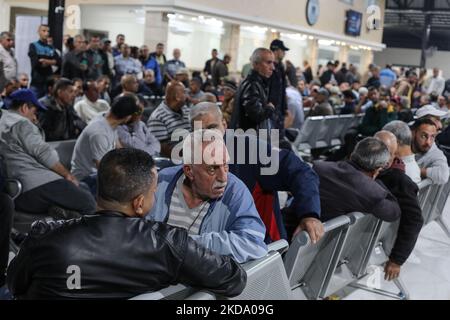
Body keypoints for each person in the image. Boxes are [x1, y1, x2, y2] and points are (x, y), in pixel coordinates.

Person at [7, 148, 246, 300]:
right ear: (139, 203)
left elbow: (16, 285)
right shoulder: (168, 244)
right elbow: (235, 279)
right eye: (154, 192)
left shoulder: (44, 236)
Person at [190, 103, 323, 244]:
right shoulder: (191, 161)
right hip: (215, 251)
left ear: (224, 124)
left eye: (212, 128)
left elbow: (300, 171)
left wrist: (309, 215)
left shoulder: (250, 150)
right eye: (199, 131)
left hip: (262, 251)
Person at [148, 130, 268, 263]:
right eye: (212, 169)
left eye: (225, 165)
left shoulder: (235, 191)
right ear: (189, 171)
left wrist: (185, 245)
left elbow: (253, 243)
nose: (223, 178)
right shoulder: (162, 181)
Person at [0, 89, 95, 216]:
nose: (35, 117)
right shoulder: (22, 123)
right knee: (88, 203)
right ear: (24, 107)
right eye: (34, 111)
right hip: (36, 184)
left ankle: (63, 213)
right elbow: (43, 153)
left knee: (82, 188)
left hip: (16, 190)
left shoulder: (3, 121)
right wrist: (68, 176)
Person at [313, 137, 401, 222]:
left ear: (352, 155)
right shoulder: (371, 193)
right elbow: (394, 212)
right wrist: (377, 181)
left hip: (303, 231)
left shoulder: (318, 168)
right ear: (377, 170)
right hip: (330, 236)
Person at [374, 131, 423, 282]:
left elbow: (415, 219)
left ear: (394, 155)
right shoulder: (366, 171)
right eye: (376, 149)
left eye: (386, 153)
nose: (380, 156)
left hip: (374, 242)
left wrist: (397, 260)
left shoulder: (400, 181)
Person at [71, 95, 140, 195]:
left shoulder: (107, 118)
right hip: (86, 179)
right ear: (127, 117)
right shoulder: (99, 132)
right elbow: (104, 169)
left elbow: (119, 149)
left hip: (100, 173)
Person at [230, 48, 275, 132]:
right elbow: (256, 115)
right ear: (255, 64)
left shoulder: (257, 83)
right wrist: (270, 108)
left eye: (273, 63)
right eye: (268, 62)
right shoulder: (252, 85)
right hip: (246, 139)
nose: (272, 67)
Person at [147, 81, 190, 157]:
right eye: (184, 92)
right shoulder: (157, 118)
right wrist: (192, 150)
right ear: (177, 97)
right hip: (173, 161)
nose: (187, 96)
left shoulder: (185, 109)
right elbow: (163, 149)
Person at [412, 118, 450, 185]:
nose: (428, 142)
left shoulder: (435, 152)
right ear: (413, 133)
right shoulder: (404, 143)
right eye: (423, 136)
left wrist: (413, 169)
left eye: (432, 137)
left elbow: (444, 175)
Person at [28, 25, 61, 98]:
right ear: (39, 32)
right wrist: (52, 61)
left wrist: (45, 60)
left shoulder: (51, 48)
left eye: (48, 31)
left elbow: (59, 62)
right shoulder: (33, 45)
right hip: (36, 83)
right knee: (33, 105)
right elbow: (36, 63)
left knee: (47, 106)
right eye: (44, 31)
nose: (46, 33)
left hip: (49, 83)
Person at [269, 39, 289, 135]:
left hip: (278, 111)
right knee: (272, 141)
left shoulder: (280, 68)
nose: (284, 53)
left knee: (277, 140)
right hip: (272, 111)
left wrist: (284, 108)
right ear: (276, 51)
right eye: (283, 51)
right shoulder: (269, 69)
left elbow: (282, 90)